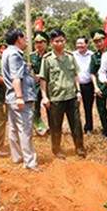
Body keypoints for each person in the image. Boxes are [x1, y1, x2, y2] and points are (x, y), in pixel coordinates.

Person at [39, 30, 86, 159]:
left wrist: (78, 91)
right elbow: (43, 79)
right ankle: (57, 149)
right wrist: (44, 96)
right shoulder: (47, 59)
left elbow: (75, 75)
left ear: (65, 41)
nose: (59, 43)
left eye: (61, 41)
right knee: (55, 126)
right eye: (56, 41)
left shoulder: (70, 57)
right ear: (51, 43)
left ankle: (80, 148)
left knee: (76, 124)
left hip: (71, 96)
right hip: (56, 98)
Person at [2, 28, 39, 171]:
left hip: (11, 97)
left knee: (14, 128)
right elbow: (15, 77)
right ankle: (30, 162)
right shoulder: (15, 55)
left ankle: (18, 157)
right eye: (24, 39)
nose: (26, 41)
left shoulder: (7, 52)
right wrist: (20, 97)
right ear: (18, 39)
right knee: (25, 129)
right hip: (19, 97)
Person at [89, 28, 107, 137]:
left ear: (105, 40)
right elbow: (92, 73)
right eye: (96, 42)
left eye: (100, 40)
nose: (98, 43)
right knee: (101, 110)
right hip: (101, 87)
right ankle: (105, 129)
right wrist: (95, 87)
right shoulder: (94, 57)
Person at [29, 31, 49, 136]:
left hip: (48, 84)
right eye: (37, 42)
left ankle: (53, 127)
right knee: (35, 106)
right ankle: (38, 127)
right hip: (36, 85)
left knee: (50, 106)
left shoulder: (50, 55)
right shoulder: (32, 56)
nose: (39, 44)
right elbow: (29, 69)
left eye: (41, 42)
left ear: (46, 43)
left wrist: (42, 76)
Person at [73, 35, 94, 134]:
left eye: (81, 43)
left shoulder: (92, 55)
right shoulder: (72, 55)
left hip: (88, 85)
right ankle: (76, 128)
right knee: (74, 108)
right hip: (75, 85)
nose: (79, 45)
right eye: (78, 43)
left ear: (87, 44)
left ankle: (89, 127)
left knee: (88, 107)